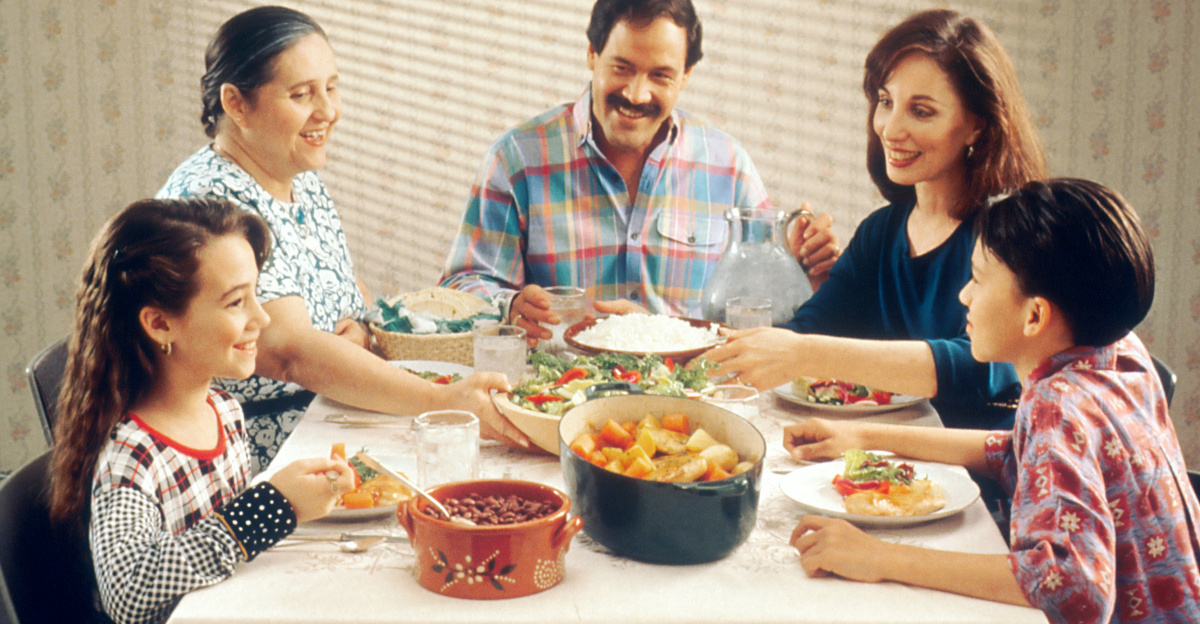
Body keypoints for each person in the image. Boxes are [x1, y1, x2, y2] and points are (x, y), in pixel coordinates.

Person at [785, 179, 1200, 624]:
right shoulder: (1120, 353)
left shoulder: (1057, 404)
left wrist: (877, 556)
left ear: (1035, 315)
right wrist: (860, 435)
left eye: (978, 280)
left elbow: (1072, 587)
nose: (964, 295)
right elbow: (1019, 450)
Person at [158, 6, 528, 472]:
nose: (329, 111)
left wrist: (364, 331)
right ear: (236, 104)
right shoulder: (213, 203)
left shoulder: (295, 173)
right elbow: (291, 354)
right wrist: (443, 399)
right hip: (254, 454)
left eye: (331, 88)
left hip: (329, 417)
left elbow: (346, 297)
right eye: (301, 94)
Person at [705, 9, 1047, 430]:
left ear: (976, 125)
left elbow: (981, 363)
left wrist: (805, 352)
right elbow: (806, 331)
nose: (890, 128)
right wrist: (667, 338)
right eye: (886, 102)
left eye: (921, 111)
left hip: (985, 478)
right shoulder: (881, 232)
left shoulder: (1009, 236)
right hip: (887, 467)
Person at [439, 0, 840, 345]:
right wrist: (508, 307)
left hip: (692, 407)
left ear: (685, 77)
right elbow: (460, 289)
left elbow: (761, 318)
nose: (636, 94)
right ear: (592, 55)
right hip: (558, 401)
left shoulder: (729, 166)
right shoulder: (517, 160)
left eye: (660, 75)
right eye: (622, 68)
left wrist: (800, 269)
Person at [47, 198, 359, 624]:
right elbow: (129, 590)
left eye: (256, 295)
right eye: (235, 303)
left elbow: (225, 552)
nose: (263, 318)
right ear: (160, 324)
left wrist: (296, 498)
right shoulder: (131, 457)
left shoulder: (223, 410)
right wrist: (273, 507)